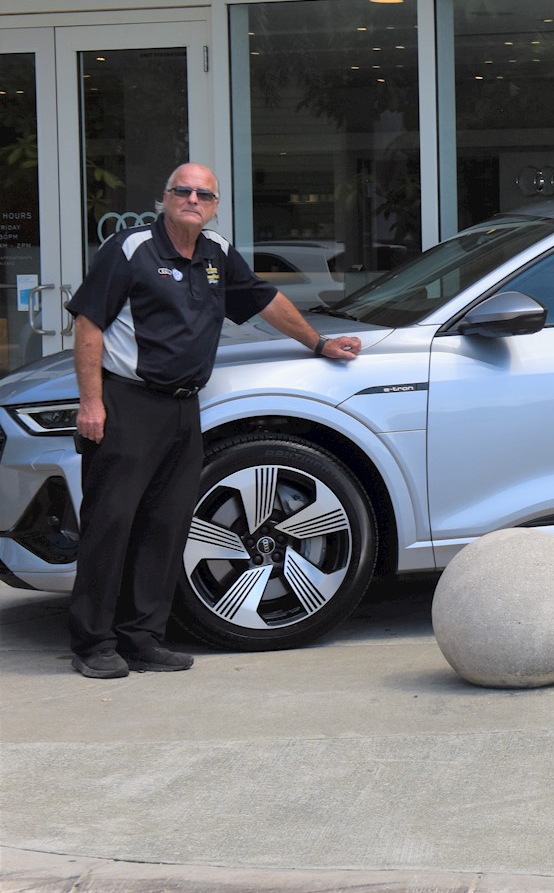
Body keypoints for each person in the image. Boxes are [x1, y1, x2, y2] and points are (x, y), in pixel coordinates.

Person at [64, 163, 363, 679]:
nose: (193, 199)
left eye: (204, 194)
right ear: (165, 197)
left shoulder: (216, 252)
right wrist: (91, 403)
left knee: (166, 526)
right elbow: (89, 324)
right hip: (128, 405)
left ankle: (143, 638)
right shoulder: (131, 249)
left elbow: (263, 299)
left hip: (184, 409)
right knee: (110, 525)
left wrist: (317, 342)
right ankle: (93, 644)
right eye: (183, 190)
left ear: (215, 205)